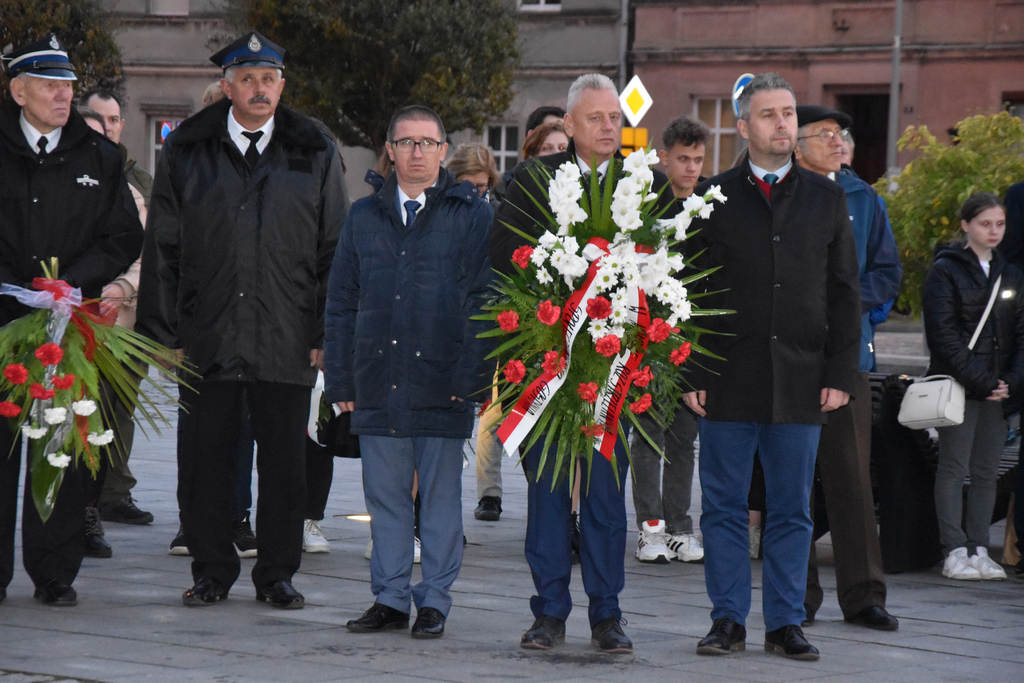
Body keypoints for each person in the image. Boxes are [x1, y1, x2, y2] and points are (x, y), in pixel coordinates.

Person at [137, 30, 347, 609]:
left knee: (285, 463)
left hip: (288, 333)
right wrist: (162, 335)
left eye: (269, 79)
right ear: (227, 86)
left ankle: (277, 574)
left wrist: (326, 333)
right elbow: (164, 246)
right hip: (208, 332)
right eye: (247, 78)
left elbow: (334, 246)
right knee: (205, 457)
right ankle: (210, 569)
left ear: (283, 85)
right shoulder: (187, 149)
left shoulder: (315, 147)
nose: (259, 89)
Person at [492, 73, 673, 655]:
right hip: (548, 365)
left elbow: (666, 273)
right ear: (566, 126)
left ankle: (607, 614)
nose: (607, 128)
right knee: (547, 493)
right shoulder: (531, 182)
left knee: (603, 496)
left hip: (615, 369)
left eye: (614, 119)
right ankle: (547, 611)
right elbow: (503, 268)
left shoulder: (643, 185)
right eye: (594, 118)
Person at [683, 72, 861, 661]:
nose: (783, 123)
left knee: (792, 509)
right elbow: (691, 294)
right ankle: (727, 619)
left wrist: (839, 374)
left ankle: (785, 622)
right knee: (726, 508)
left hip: (801, 379)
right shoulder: (711, 200)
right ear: (742, 127)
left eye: (788, 113)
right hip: (727, 380)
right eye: (769, 114)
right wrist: (693, 373)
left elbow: (843, 293)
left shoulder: (826, 197)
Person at [326, 105, 493, 639]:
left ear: (444, 151)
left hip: (444, 381)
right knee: (385, 498)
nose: (418, 153)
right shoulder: (363, 216)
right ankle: (391, 599)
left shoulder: (472, 215)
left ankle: (435, 601)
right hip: (378, 379)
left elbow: (486, 301)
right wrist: (343, 381)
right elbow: (341, 304)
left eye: (428, 142)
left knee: (441, 499)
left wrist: (475, 377)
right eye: (407, 142)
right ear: (390, 151)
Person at [0, 35, 143, 606]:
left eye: (68, 86)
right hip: (4, 318)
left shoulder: (100, 157)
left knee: (61, 444)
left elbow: (122, 236)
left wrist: (73, 282)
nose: (64, 96)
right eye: (51, 85)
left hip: (68, 324)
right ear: (19, 90)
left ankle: (55, 573)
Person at [793, 105, 902, 630]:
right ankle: (798, 597)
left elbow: (887, 271)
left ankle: (864, 596)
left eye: (842, 135)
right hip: (789, 357)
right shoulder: (784, 195)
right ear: (797, 145)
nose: (839, 143)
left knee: (852, 479)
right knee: (792, 482)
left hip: (849, 358)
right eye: (826, 135)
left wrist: (853, 308)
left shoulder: (864, 197)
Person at [923, 193, 1024, 581]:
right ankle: (953, 549)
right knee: (953, 466)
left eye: (1000, 224)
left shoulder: (1011, 273)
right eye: (986, 223)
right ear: (966, 225)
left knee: (985, 471)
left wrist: (1009, 383)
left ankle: (979, 547)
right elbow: (943, 337)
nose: (994, 231)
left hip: (998, 389)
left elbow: (1020, 334)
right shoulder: (945, 271)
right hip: (959, 385)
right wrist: (982, 382)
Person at [631, 115, 709, 565]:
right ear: (664, 158)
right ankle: (650, 528)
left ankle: (680, 527)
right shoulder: (647, 206)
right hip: (648, 335)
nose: (692, 168)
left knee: (683, 436)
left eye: (698, 159)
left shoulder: (708, 206)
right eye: (683, 159)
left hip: (693, 337)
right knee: (647, 435)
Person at [77, 89, 156, 529]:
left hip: (123, 319)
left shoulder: (135, 184)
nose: (105, 131)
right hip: (74, 320)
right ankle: (83, 503)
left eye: (111, 121)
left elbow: (150, 250)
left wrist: (122, 287)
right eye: (95, 123)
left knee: (117, 409)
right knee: (77, 414)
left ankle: (109, 494)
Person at [445, 144, 505, 522]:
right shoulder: (442, 214)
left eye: (483, 187)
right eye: (471, 185)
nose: (476, 194)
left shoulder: (490, 216)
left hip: (476, 335)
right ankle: (442, 515)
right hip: (443, 333)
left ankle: (466, 506)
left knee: (467, 426)